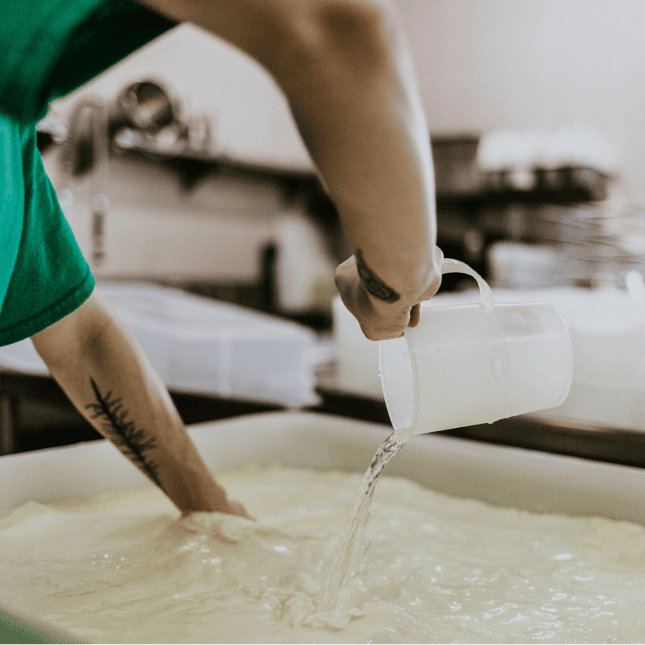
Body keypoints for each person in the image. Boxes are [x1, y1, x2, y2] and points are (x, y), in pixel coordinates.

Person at [0, 0, 442, 516]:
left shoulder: (13, 148)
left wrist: (209, 506)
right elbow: (333, 24)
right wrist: (397, 284)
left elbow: (82, 339)